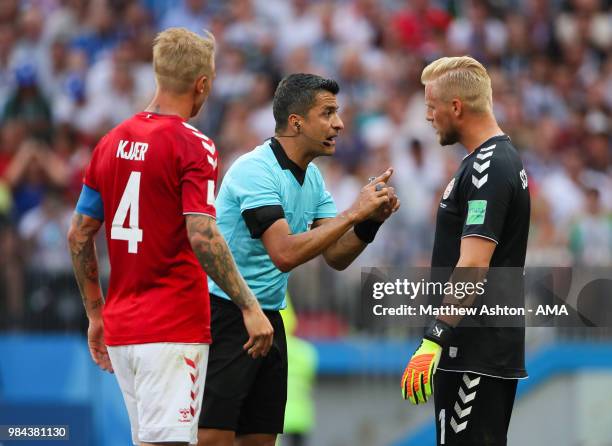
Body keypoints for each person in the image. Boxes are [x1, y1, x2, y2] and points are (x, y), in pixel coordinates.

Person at [67, 28, 273, 446]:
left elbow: (78, 234)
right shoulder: (193, 145)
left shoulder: (110, 142)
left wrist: (95, 313)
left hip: (122, 329)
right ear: (202, 84)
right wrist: (249, 306)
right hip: (172, 325)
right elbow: (202, 234)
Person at [198, 73, 400, 446]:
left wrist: (369, 224)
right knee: (213, 438)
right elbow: (285, 253)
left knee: (261, 440)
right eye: (328, 113)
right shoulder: (255, 170)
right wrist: (353, 213)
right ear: (297, 122)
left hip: (269, 316)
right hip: (224, 311)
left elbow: (336, 256)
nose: (338, 123)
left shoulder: (313, 180)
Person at [401, 56, 530, 446]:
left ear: (455, 107)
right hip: (476, 349)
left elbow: (474, 263)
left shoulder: (489, 167)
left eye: (431, 106)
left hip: (474, 350)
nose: (428, 116)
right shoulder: (485, 162)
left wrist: (435, 336)